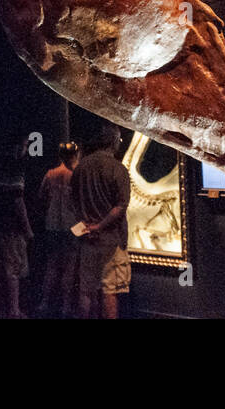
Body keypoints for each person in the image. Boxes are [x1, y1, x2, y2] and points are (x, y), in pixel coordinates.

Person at [71, 122, 131, 319]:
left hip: (87, 240)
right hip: (111, 241)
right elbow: (120, 207)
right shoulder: (118, 169)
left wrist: (87, 226)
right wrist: (100, 226)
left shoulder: (80, 168)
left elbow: (74, 202)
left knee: (86, 291)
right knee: (109, 291)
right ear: (113, 141)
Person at [0, 135, 33, 318]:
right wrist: (27, 229)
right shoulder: (16, 169)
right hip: (11, 227)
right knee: (12, 269)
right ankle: (14, 309)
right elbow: (18, 203)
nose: (26, 150)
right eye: (26, 145)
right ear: (18, 146)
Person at [37, 141, 80, 317]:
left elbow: (41, 197)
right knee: (69, 268)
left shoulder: (51, 174)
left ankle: (45, 303)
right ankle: (65, 306)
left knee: (52, 266)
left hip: (52, 225)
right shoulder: (77, 176)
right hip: (72, 227)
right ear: (76, 155)